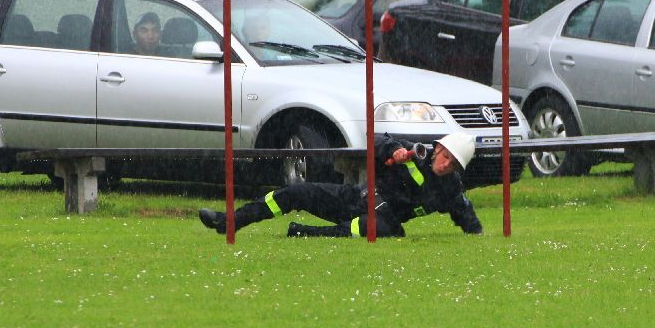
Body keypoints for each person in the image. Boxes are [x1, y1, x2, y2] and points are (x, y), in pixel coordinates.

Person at [198, 132, 483, 238]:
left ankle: (305, 233)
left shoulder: (451, 190)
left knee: (375, 229)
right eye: (445, 156)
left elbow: (466, 216)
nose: (445, 164)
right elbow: (376, 142)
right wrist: (394, 150)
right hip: (354, 197)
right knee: (294, 193)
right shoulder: (413, 151)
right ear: (437, 148)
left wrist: (477, 236)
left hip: (381, 220)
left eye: (453, 164)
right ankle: (229, 222)